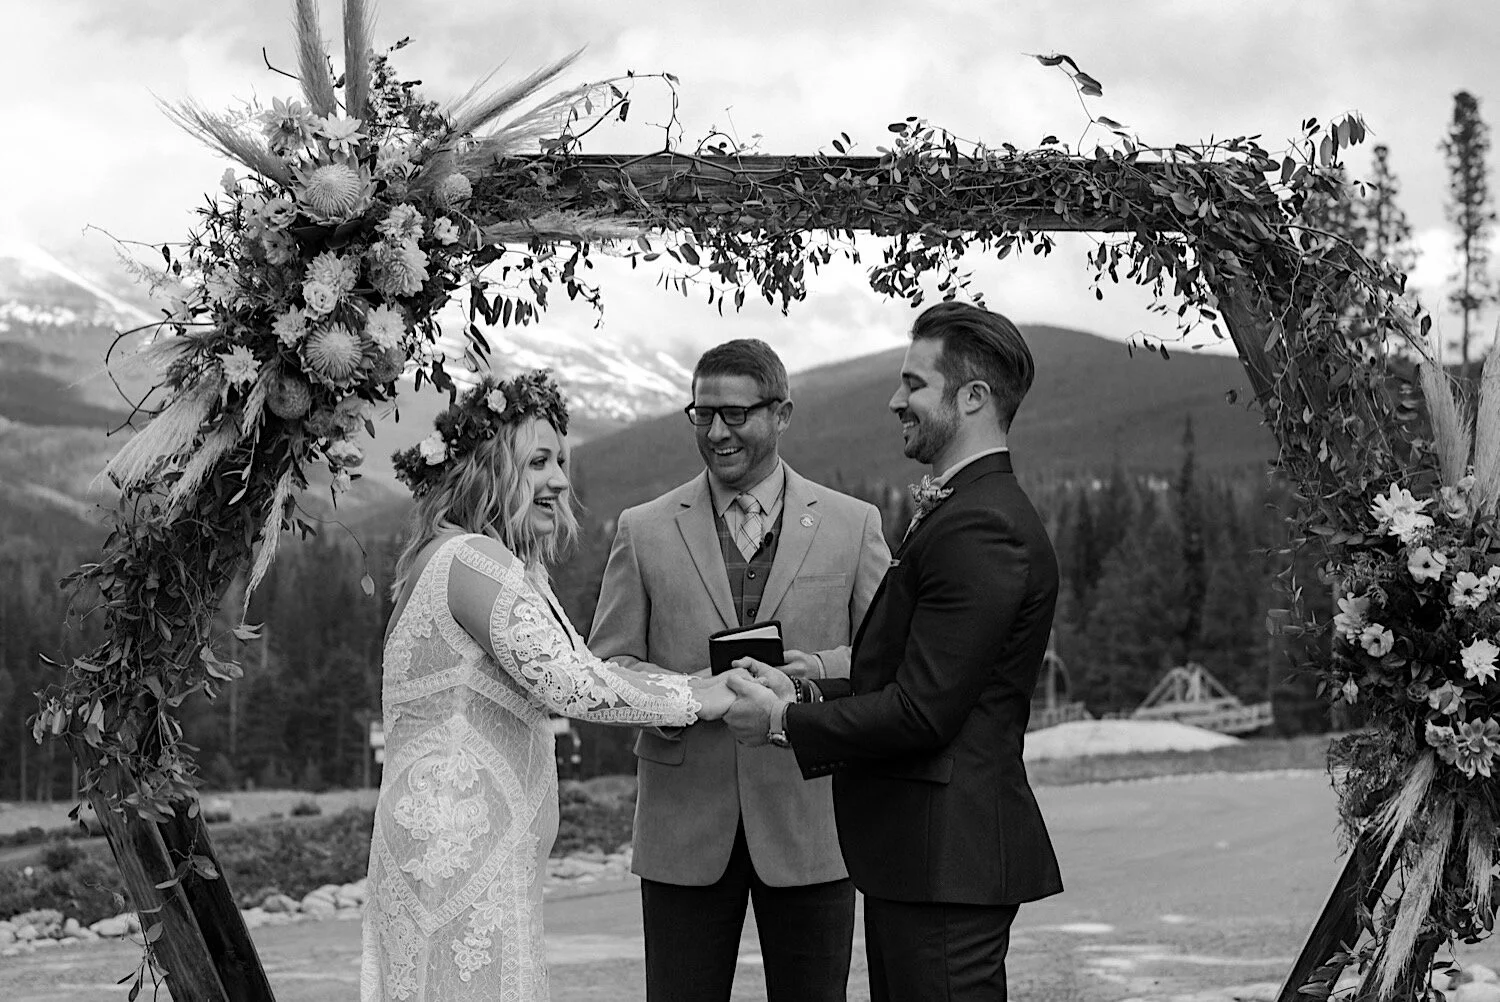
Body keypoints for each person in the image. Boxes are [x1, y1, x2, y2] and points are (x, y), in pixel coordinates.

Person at [360, 369, 740, 1002]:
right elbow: (569, 684)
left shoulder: (479, 558)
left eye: (561, 461)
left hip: (470, 852)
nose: (560, 481)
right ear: (486, 469)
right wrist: (700, 700)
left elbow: (575, 667)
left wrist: (687, 681)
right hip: (455, 855)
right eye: (538, 462)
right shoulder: (470, 559)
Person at [723, 302, 1063, 1002]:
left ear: (973, 397)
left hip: (948, 859)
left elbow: (923, 713)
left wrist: (783, 724)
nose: (895, 401)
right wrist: (802, 692)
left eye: (914, 383)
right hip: (922, 860)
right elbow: (914, 677)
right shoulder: (964, 509)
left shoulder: (982, 527)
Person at [588, 339, 891, 1002]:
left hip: (812, 822)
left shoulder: (852, 524)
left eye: (735, 414)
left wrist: (810, 673)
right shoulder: (643, 529)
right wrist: (687, 696)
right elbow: (608, 667)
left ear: (782, 414)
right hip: (682, 827)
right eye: (703, 415)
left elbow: (888, 658)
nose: (717, 432)